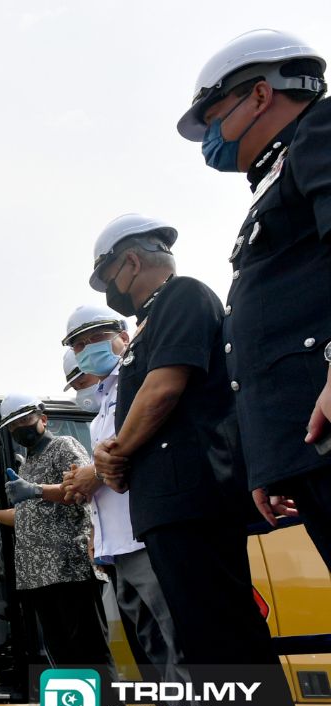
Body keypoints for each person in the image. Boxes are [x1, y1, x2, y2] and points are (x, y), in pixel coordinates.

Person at [89, 214, 322, 706]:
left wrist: (116, 450)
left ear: (130, 262)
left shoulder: (183, 295)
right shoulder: (149, 322)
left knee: (231, 654)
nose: (109, 286)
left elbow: (165, 390)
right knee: (213, 655)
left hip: (194, 499)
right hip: (168, 508)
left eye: (108, 272)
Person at [177, 30, 331, 570]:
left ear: (261, 95)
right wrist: (268, 462)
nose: (210, 138)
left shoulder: (321, 130)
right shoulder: (278, 172)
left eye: (215, 116)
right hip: (308, 445)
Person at [59, 303, 221, 706]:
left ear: (123, 336)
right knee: (161, 661)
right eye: (79, 345)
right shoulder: (107, 401)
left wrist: (93, 473)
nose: (89, 352)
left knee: (186, 656)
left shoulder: (140, 386)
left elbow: (123, 459)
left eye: (96, 338)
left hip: (149, 537)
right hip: (119, 546)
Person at [0, 392, 132, 706]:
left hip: (68, 569)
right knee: (64, 660)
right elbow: (32, 514)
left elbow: (81, 490)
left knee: (88, 655)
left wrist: (36, 491)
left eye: (24, 421)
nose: (20, 430)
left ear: (41, 416)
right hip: (39, 577)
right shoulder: (28, 464)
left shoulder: (63, 446)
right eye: (13, 427)